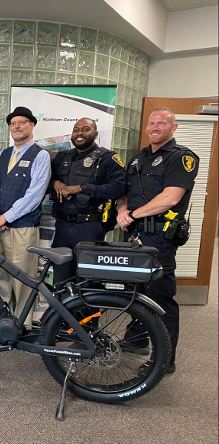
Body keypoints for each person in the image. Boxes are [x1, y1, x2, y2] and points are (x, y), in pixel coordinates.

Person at [117, 107, 198, 374]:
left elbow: (171, 197)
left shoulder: (182, 157)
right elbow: (125, 192)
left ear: (173, 128)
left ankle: (165, 359)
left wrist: (134, 213)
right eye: (152, 123)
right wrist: (121, 210)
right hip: (133, 234)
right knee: (135, 291)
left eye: (161, 123)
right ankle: (136, 340)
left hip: (159, 237)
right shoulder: (138, 157)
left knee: (161, 297)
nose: (154, 127)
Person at [0, 106, 51, 334]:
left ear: (31, 125)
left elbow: (34, 195)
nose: (16, 127)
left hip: (21, 228)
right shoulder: (2, 156)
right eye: (13, 123)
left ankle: (22, 323)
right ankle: (0, 320)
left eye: (21, 122)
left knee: (22, 279)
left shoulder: (40, 156)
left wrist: (5, 217)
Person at [49, 117, 126, 283]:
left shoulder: (108, 158)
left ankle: (92, 311)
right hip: (62, 226)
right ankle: (63, 310)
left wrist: (83, 188)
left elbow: (118, 189)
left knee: (89, 281)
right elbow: (46, 180)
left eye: (85, 129)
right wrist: (55, 182)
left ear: (95, 133)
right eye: (76, 130)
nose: (80, 133)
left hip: (90, 228)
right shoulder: (61, 157)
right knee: (61, 280)